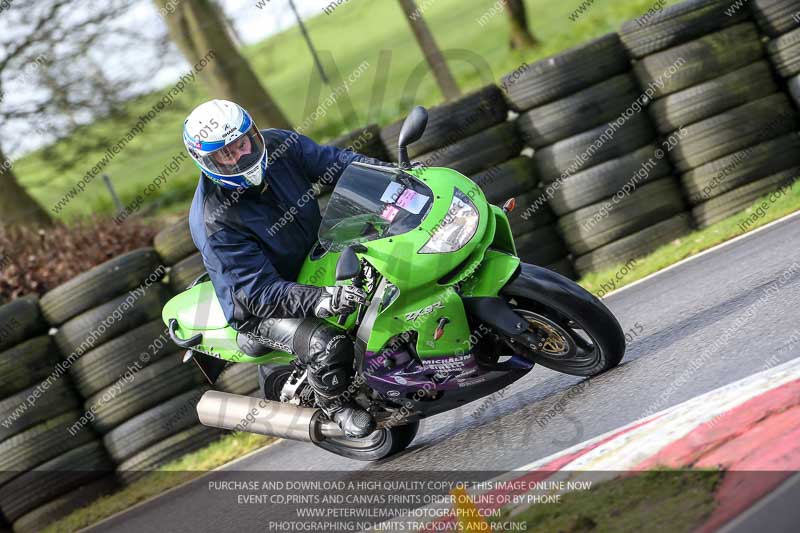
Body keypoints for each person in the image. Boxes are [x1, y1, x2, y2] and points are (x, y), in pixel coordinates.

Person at [183, 99, 383, 438]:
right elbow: (258, 292)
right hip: (260, 307)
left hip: (314, 257)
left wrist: (392, 177)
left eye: (242, 143)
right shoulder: (214, 220)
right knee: (327, 343)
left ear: (254, 134)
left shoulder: (279, 146)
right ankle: (337, 406)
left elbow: (340, 164)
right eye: (227, 154)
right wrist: (321, 299)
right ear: (207, 161)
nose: (241, 156)